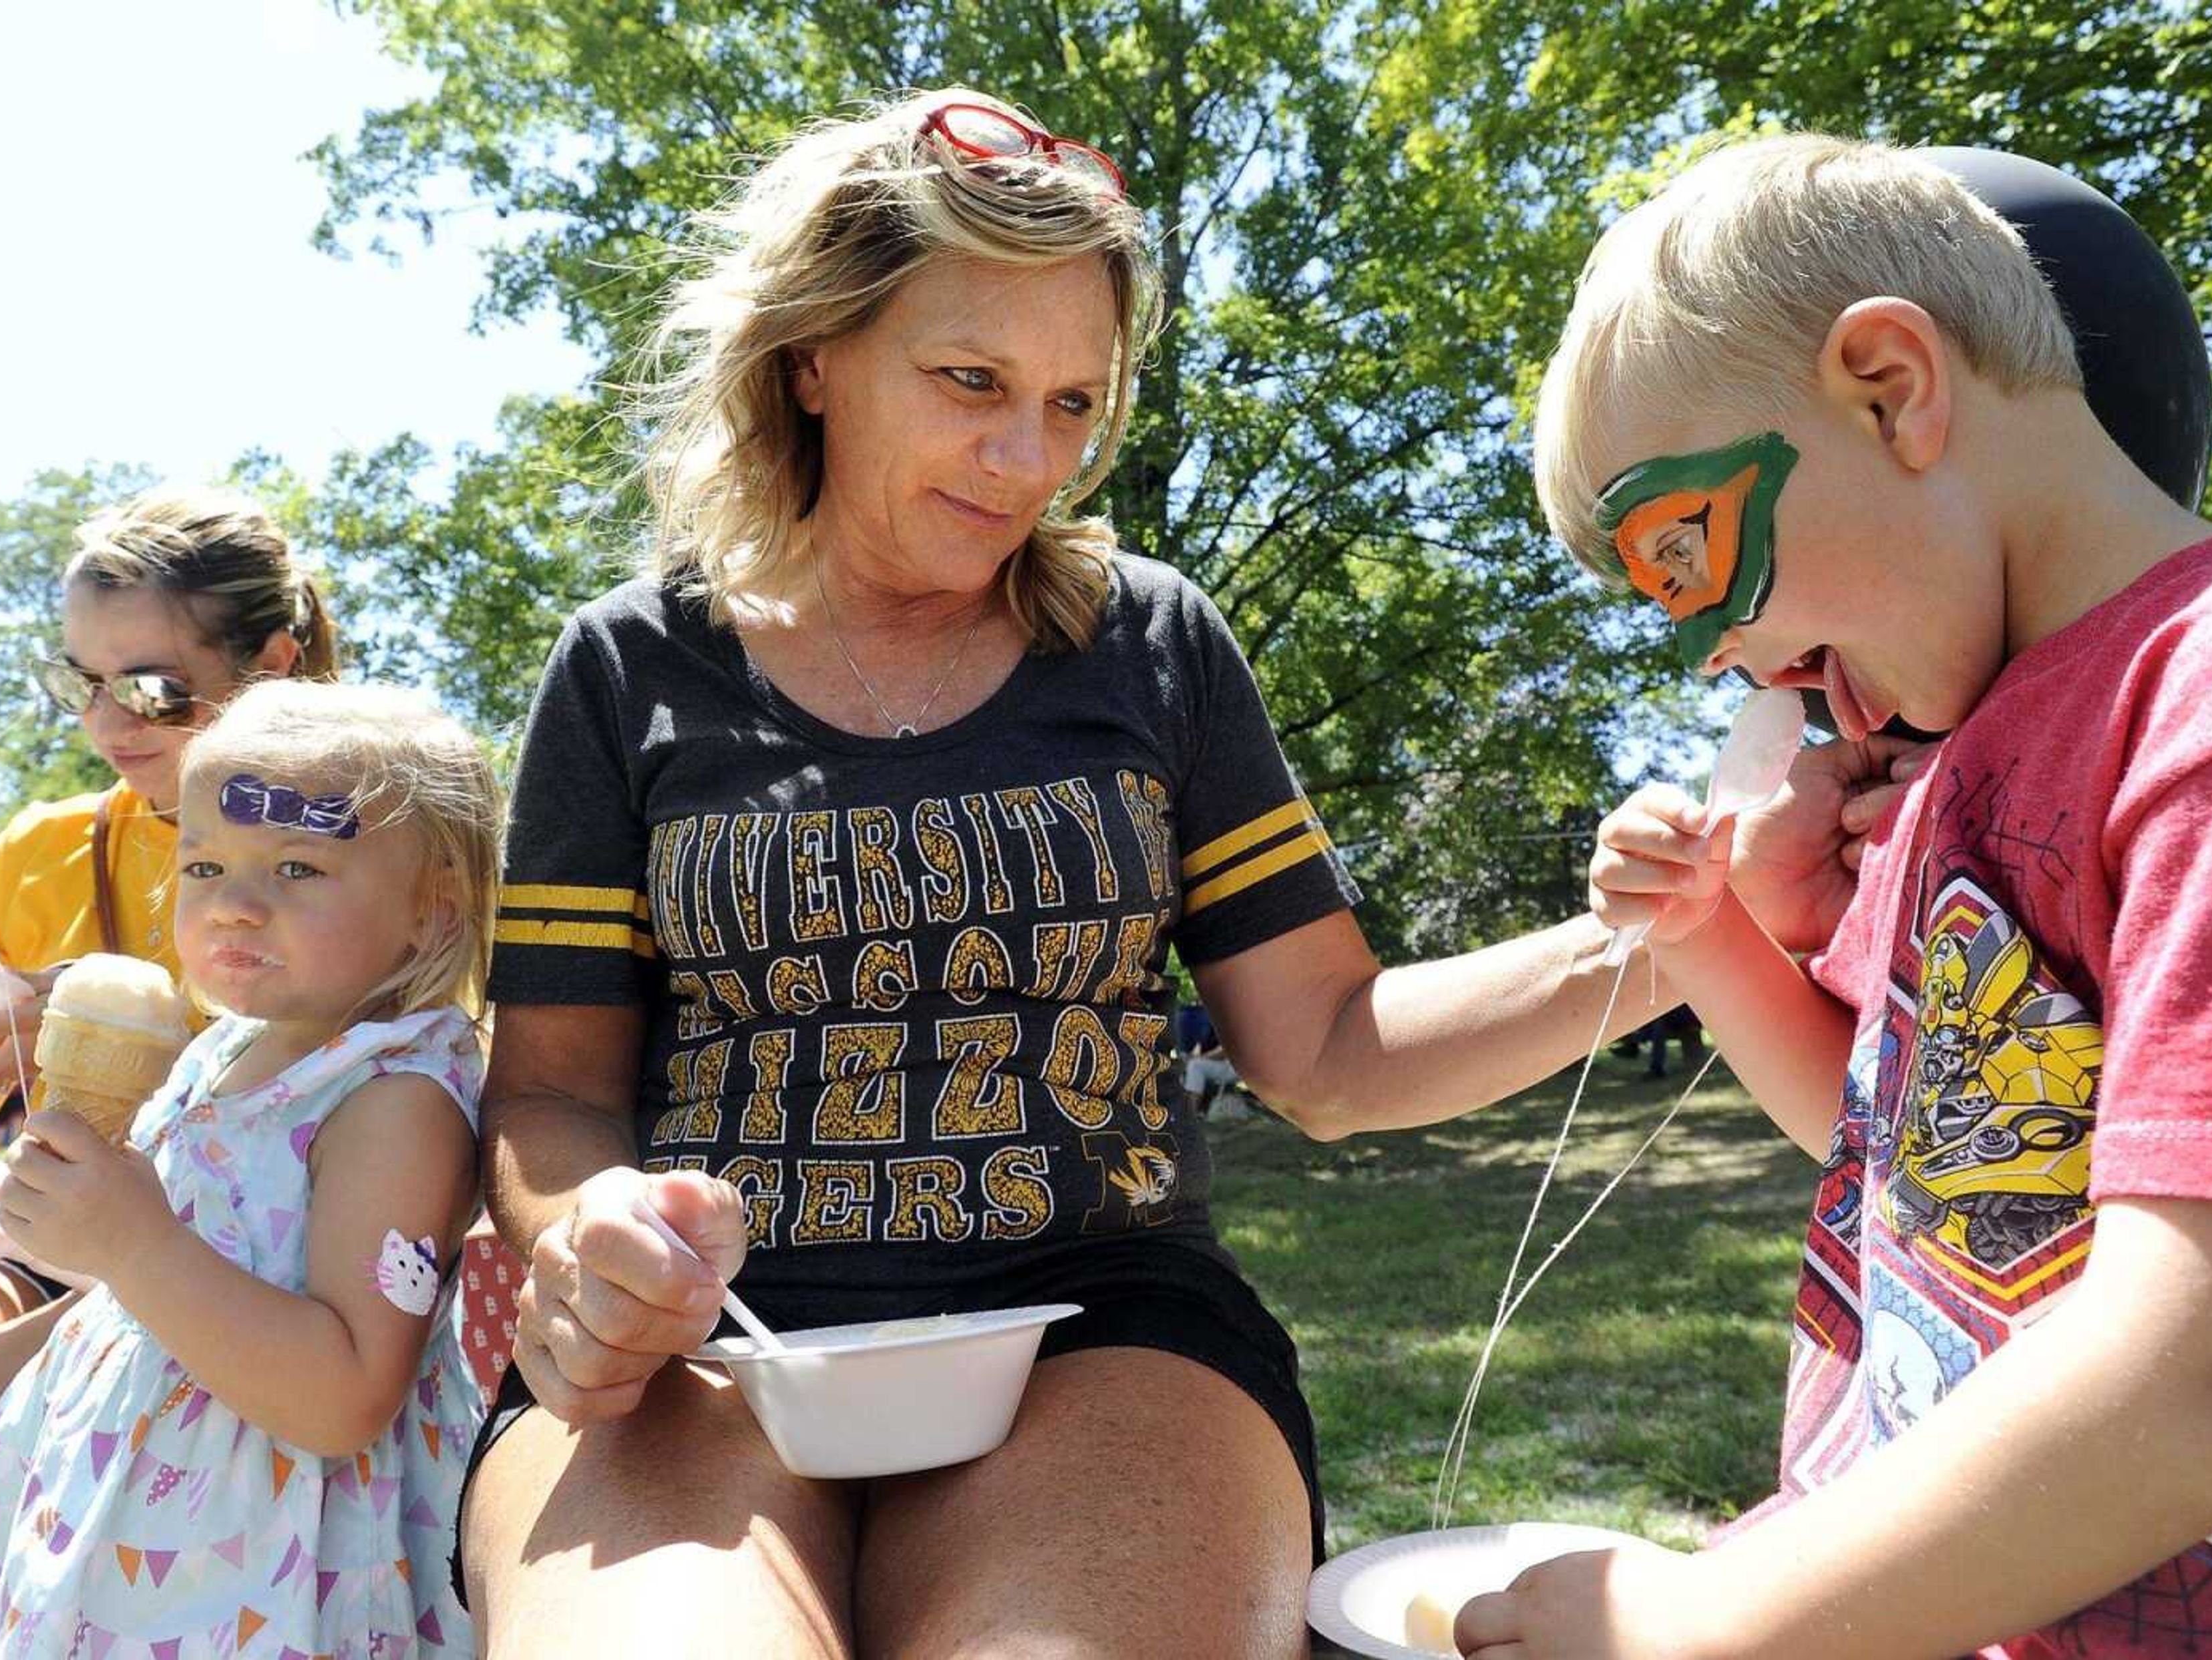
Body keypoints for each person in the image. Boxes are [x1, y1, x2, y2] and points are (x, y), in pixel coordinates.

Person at [456, 89, 1911, 1659]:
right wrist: (589, 1232)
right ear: (814, 355)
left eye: (1077, 404)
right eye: (970, 382)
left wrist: (1680, 929)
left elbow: (1333, 1050)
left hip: (1105, 1322)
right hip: (709, 1350)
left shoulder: (1150, 645)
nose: (1029, 459)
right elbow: (547, 1092)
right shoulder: (627, 668)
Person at [1456, 134, 2212, 1659]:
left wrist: (1707, 1625)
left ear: (1890, 386)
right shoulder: (1967, 767)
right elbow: (1904, 1152)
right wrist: (1707, 936)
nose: (1720, 655)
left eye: (1690, 554)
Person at [0, 680, 498, 1657]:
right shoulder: (223, 1048)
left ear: (433, 914)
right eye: (207, 864)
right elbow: (204, 1262)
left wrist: (134, 1244)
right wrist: (39, 1226)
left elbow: (344, 1395)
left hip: (263, 1566)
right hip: (130, 1522)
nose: (235, 906)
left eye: (298, 866)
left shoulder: (395, 1099)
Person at [0, 487, 338, 1367]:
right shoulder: (49, 846)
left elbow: (428, 1074)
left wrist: (121, 1023)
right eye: (82, 683)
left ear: (274, 662)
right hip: (56, 1268)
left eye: (153, 691)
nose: (106, 724)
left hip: (288, 1291)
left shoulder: (376, 839)